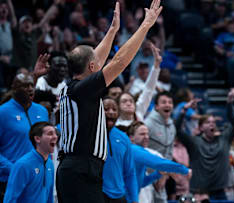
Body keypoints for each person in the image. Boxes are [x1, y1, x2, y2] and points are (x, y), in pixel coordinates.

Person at [56, 1, 162, 202]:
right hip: (80, 170)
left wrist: (112, 31)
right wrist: (145, 26)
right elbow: (119, 62)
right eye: (96, 60)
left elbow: (95, 60)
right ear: (92, 66)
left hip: (77, 170)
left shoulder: (74, 87)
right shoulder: (83, 89)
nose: (99, 58)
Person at [0, 73, 49, 201]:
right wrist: (15, 169)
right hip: (9, 179)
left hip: (38, 179)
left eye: (31, 85)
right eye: (25, 86)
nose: (30, 89)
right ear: (14, 88)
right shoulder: (2, 113)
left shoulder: (42, 111)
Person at [126, 121, 191, 193]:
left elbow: (141, 183)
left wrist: (158, 174)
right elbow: (159, 163)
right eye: (142, 134)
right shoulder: (133, 149)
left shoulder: (139, 151)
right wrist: (184, 170)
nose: (146, 137)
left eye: (147, 134)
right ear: (131, 137)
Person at [3, 122, 57, 203]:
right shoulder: (23, 165)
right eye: (50, 134)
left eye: (56, 134)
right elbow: (10, 199)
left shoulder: (50, 164)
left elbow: (49, 198)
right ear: (37, 139)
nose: (55, 137)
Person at [102, 97, 138, 203]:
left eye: (114, 109)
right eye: (106, 109)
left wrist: (134, 199)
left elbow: (130, 172)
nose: (111, 112)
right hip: (97, 193)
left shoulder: (123, 138)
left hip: (119, 196)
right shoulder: (90, 135)